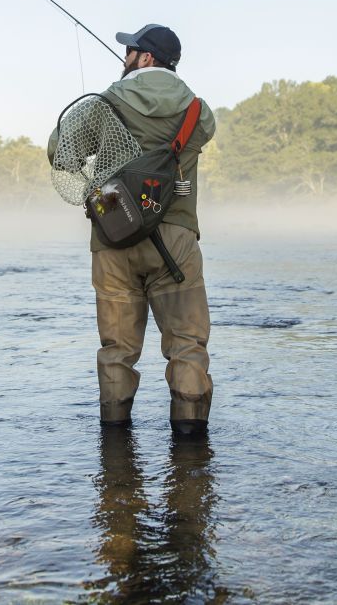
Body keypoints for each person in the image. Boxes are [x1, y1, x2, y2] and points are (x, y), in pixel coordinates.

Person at [56, 23, 216, 436]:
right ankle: (191, 452)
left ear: (145, 58)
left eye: (130, 51)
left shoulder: (106, 103)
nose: (124, 57)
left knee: (117, 350)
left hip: (113, 233)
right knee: (187, 345)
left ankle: (115, 449)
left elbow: (60, 153)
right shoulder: (199, 112)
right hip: (176, 237)